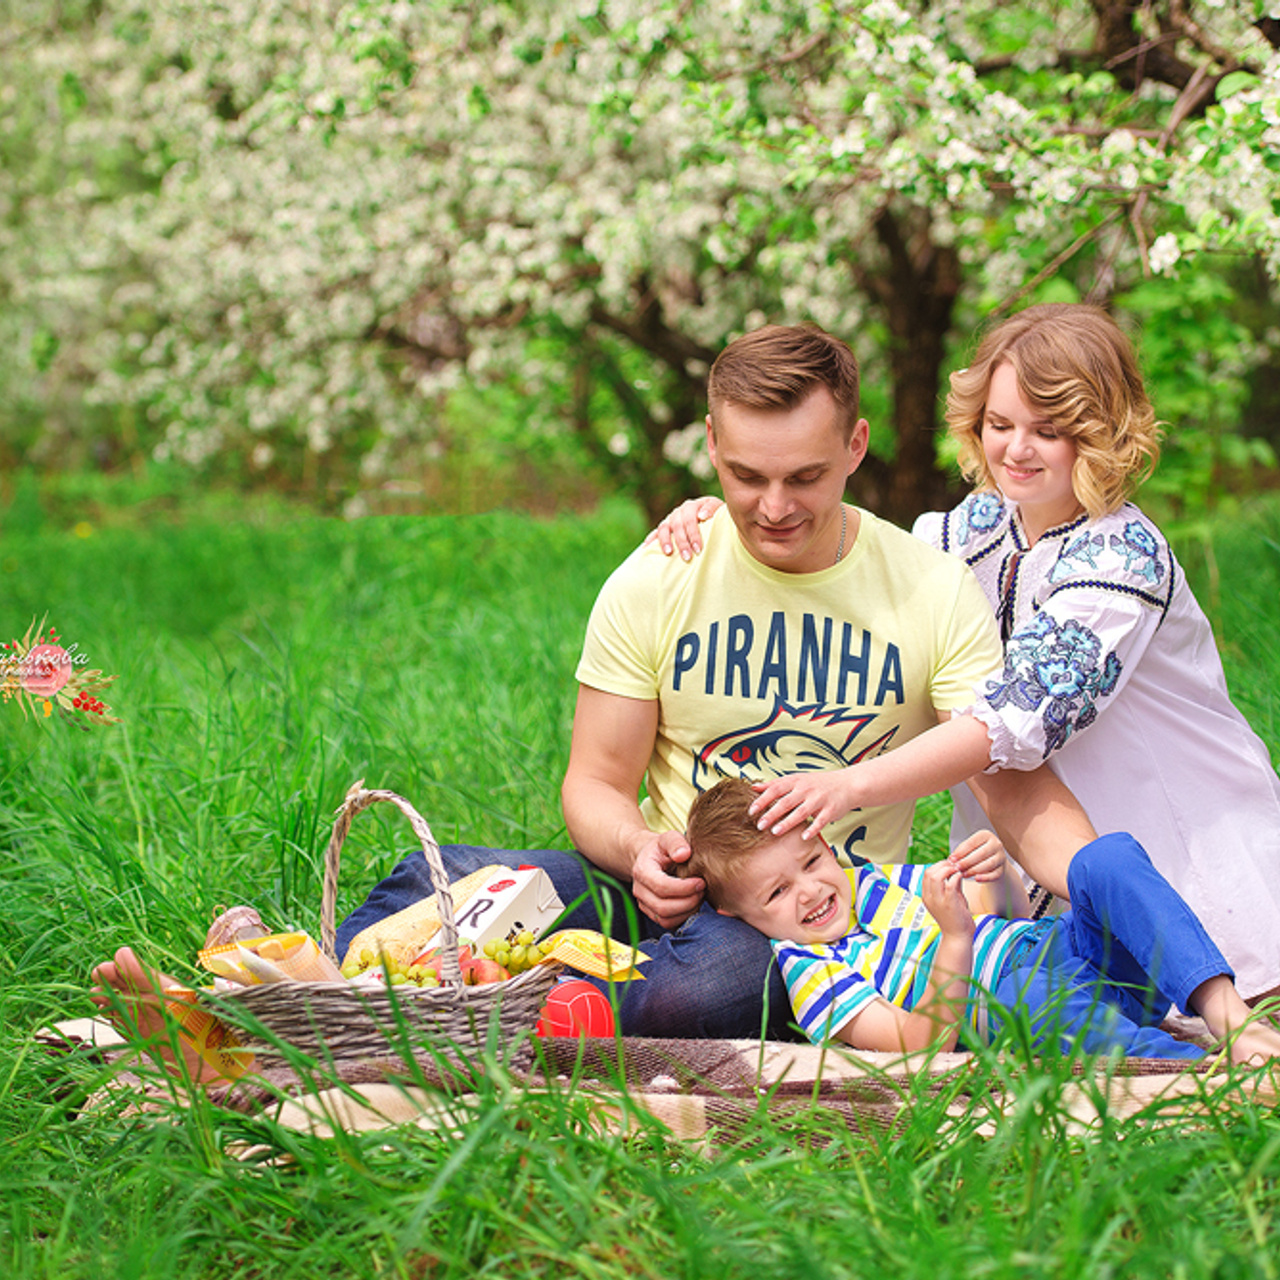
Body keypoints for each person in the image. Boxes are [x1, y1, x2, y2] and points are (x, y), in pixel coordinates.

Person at [336, 324, 1096, 1040]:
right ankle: (312, 982)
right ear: (710, 445)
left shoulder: (929, 589)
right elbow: (596, 781)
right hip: (653, 885)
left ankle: (500, 1001)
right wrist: (637, 849)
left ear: (856, 446)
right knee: (465, 875)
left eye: (806, 477)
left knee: (730, 982)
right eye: (744, 476)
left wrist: (1107, 901)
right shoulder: (661, 574)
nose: (774, 508)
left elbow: (1004, 771)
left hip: (797, 926)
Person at [651, 305, 1280, 1003]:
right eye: (1000, 424)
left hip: (1173, 833)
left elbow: (1005, 726)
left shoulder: (1121, 556)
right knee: (1068, 1011)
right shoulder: (971, 527)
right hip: (1036, 851)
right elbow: (855, 552)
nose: (1016, 448)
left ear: (1103, 436)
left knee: (1184, 1003)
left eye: (1049, 431)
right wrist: (726, 516)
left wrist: (848, 785)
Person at [683, 777, 1280, 1065]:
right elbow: (923, 1044)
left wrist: (994, 874)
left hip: (1071, 953)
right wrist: (956, 939)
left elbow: (1009, 920)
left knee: (1106, 857)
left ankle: (1227, 1014)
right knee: (1022, 993)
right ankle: (1192, 1073)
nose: (811, 890)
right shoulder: (809, 970)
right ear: (736, 915)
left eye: (812, 861)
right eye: (779, 891)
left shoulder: (874, 882)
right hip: (1024, 1002)